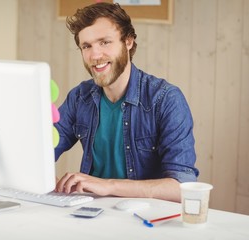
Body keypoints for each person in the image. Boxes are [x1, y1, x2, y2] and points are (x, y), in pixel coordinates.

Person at [53, 2, 199, 203]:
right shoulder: (80, 97)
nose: (95, 55)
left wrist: (108, 185)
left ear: (128, 41)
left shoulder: (166, 99)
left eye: (104, 42)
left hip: (144, 219)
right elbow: (42, 150)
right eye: (86, 46)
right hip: (90, 211)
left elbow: (182, 187)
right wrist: (46, 180)